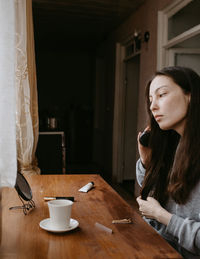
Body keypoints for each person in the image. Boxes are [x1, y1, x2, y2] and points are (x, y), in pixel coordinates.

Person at [136, 66, 200, 259]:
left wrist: (161, 215)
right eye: (150, 100)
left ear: (190, 96)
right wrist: (147, 162)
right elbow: (152, 189)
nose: (153, 106)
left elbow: (161, 213)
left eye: (161, 95)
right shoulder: (174, 143)